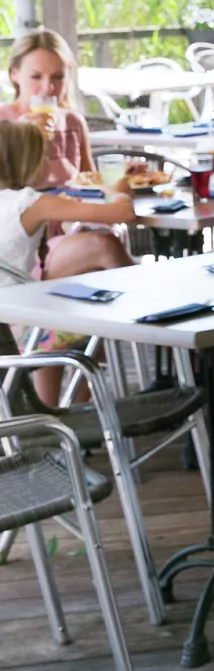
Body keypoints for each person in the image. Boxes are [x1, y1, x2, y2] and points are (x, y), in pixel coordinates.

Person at [0, 121, 137, 406]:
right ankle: (81, 409)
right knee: (91, 317)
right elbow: (122, 212)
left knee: (59, 306)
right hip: (16, 332)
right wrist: (118, 189)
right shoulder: (27, 202)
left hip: (10, 329)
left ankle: (51, 408)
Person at [0, 30, 94, 190]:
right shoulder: (3, 121)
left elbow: (92, 184)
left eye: (58, 77)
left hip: (73, 213)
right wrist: (19, 137)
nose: (48, 88)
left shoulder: (74, 123)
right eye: (36, 77)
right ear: (14, 75)